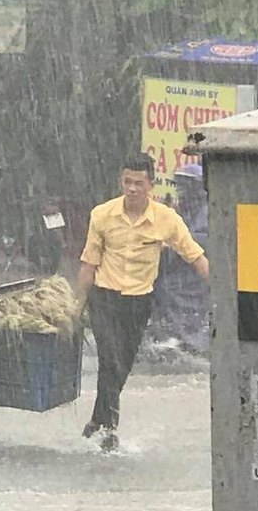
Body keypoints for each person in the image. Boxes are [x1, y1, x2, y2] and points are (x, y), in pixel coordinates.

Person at [75, 153, 209, 453]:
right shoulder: (102, 215)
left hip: (138, 303)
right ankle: (109, 430)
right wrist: (77, 307)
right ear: (121, 182)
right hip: (104, 298)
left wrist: (225, 293)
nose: (132, 189)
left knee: (119, 368)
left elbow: (195, 256)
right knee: (110, 360)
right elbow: (88, 264)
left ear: (150, 185)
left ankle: (95, 422)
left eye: (139, 183)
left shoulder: (167, 219)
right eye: (127, 182)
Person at [152, 163, 209, 353]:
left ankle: (184, 336)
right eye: (179, 185)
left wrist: (172, 248)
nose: (181, 190)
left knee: (169, 290)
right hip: (175, 268)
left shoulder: (206, 210)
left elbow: (201, 241)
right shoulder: (180, 210)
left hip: (193, 273)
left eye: (185, 184)